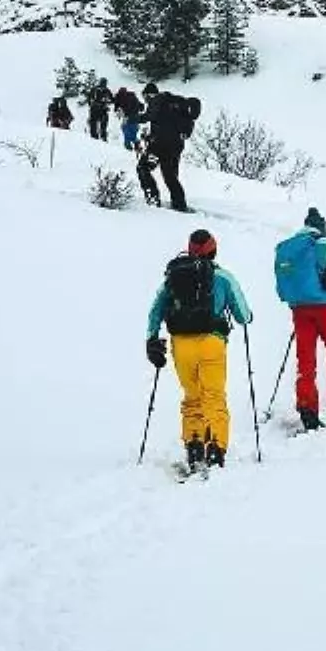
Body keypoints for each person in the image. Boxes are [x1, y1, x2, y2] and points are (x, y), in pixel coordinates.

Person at [146, 229, 253, 471]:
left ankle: (194, 447)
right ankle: (215, 448)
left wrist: (152, 338)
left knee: (192, 397)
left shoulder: (173, 276)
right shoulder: (223, 277)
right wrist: (246, 317)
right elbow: (243, 316)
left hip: (181, 344)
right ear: (213, 250)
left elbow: (156, 309)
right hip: (211, 342)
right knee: (214, 396)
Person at [274, 207, 326, 430]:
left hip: (299, 309)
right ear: (321, 227)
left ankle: (306, 407)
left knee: (306, 359)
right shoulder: (323, 244)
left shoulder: (288, 247)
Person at [140, 82, 200, 212]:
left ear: (148, 94)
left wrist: (134, 118)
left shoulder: (157, 101)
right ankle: (179, 204)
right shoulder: (175, 102)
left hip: (159, 145)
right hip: (176, 145)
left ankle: (152, 198)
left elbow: (149, 116)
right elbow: (169, 123)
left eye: (144, 97)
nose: (145, 101)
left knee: (143, 167)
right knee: (170, 175)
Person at [113, 86, 145, 150]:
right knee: (132, 131)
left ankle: (128, 145)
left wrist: (118, 110)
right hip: (135, 116)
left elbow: (117, 106)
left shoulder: (121, 97)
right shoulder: (132, 96)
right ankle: (136, 143)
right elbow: (141, 106)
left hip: (129, 116)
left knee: (126, 130)